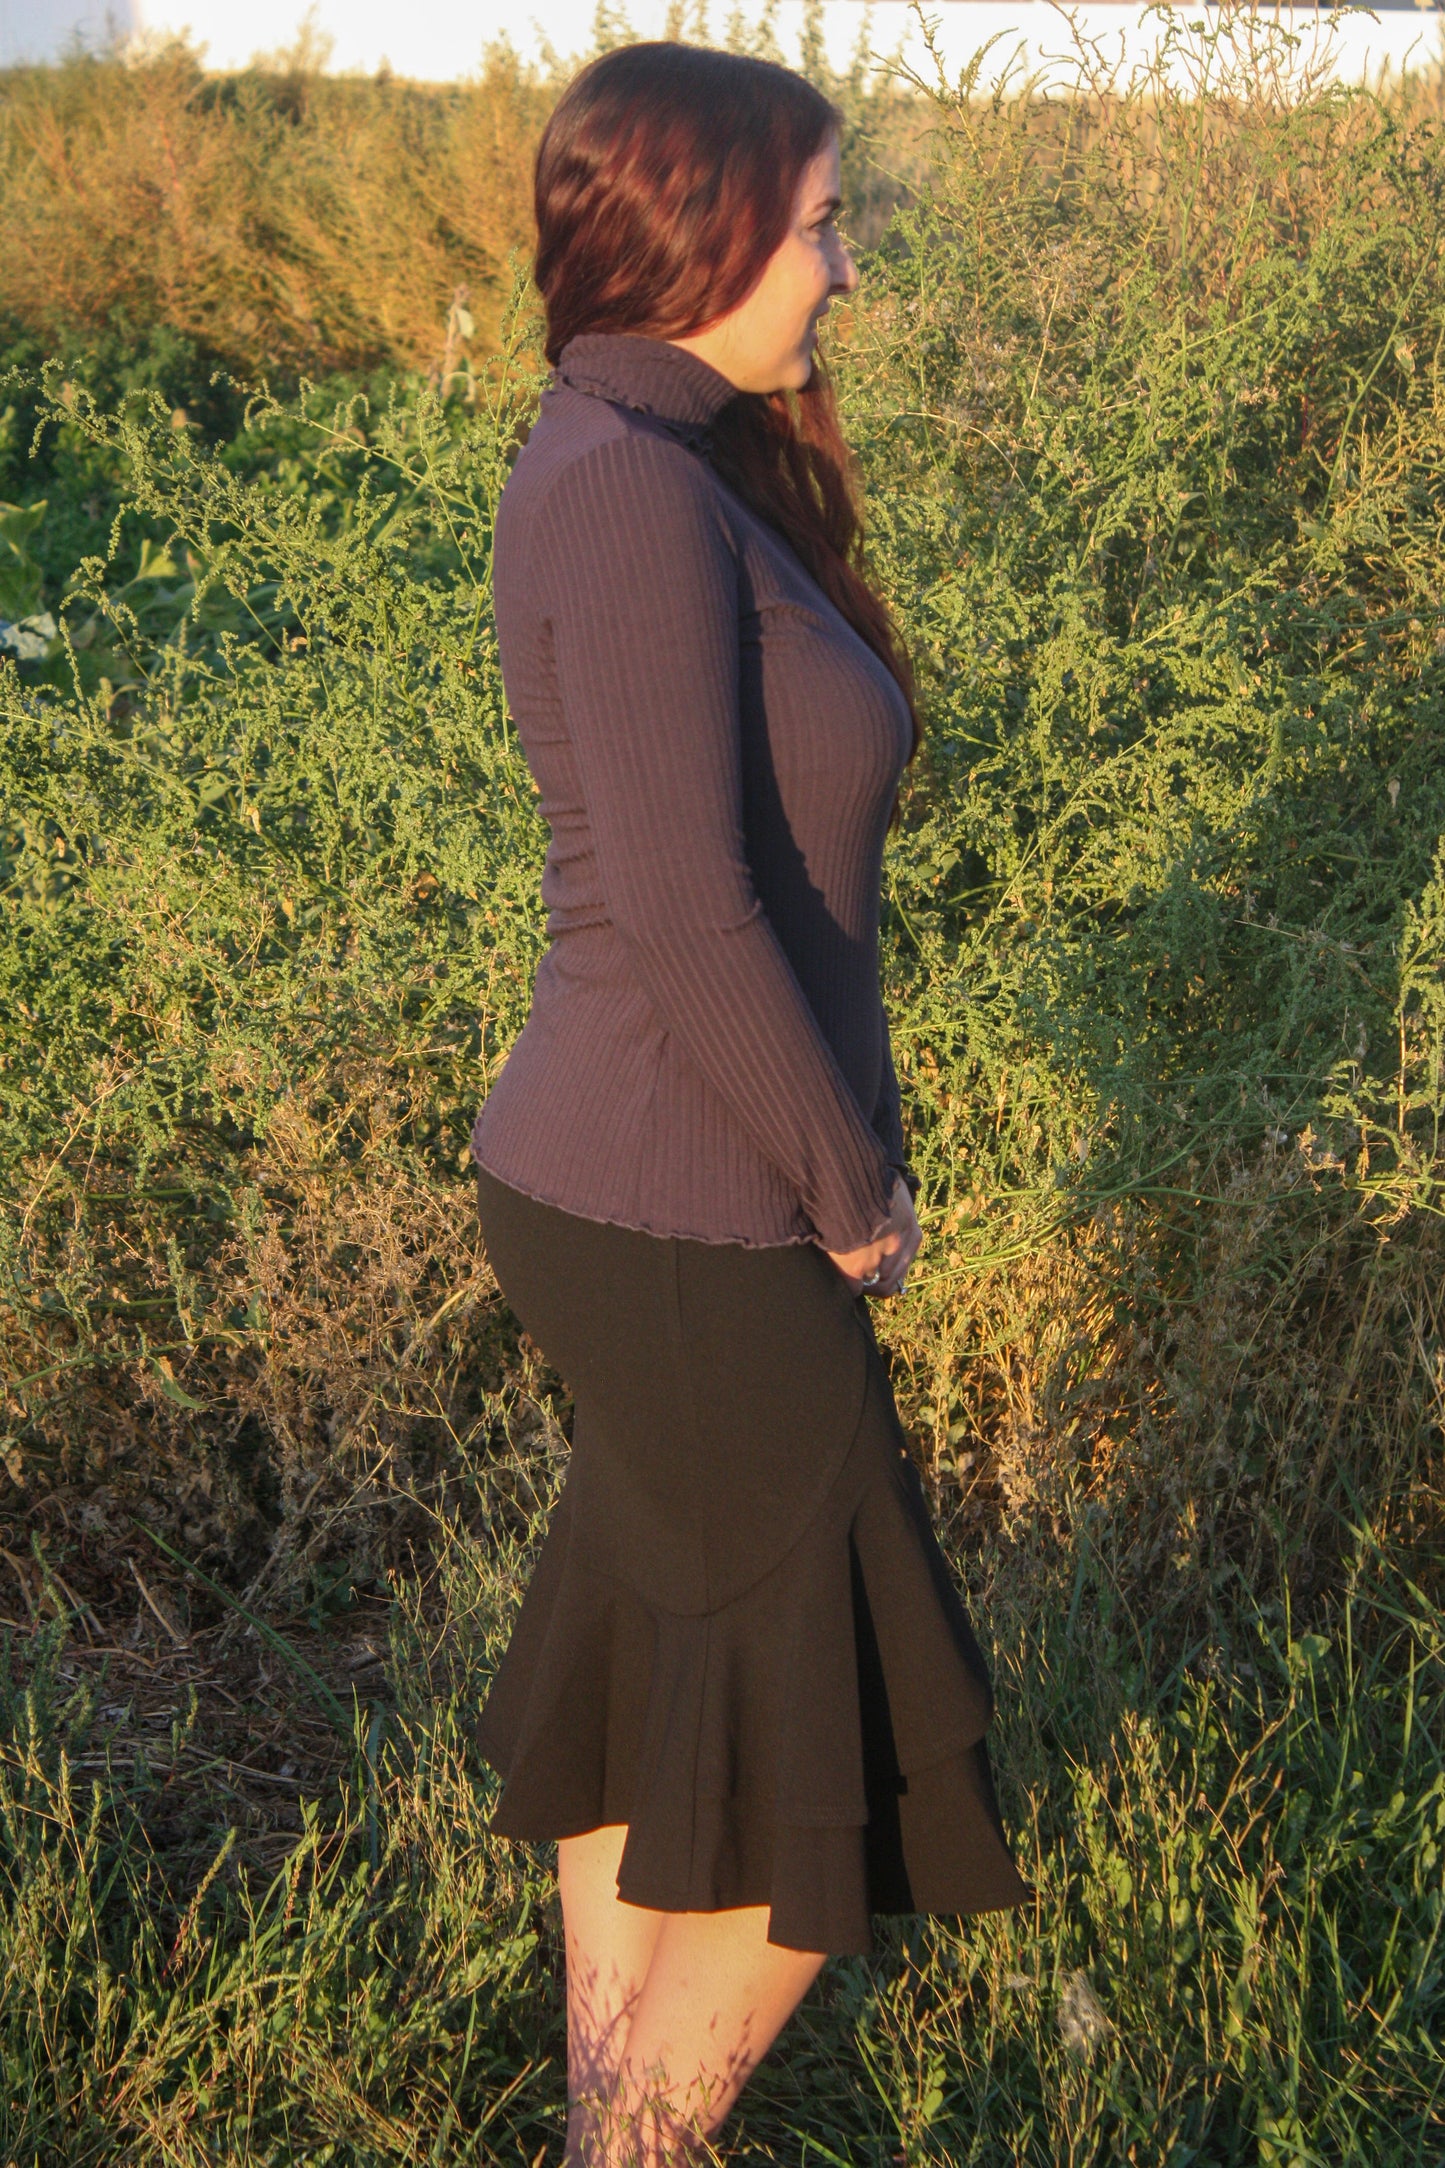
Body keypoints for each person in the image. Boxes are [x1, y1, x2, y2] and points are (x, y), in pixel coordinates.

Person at [470, 41, 1027, 2165]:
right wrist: (850, 1182)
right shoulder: (626, 488)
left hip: (644, 1192)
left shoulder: (658, 460)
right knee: (850, 1725)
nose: (846, 268)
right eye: (817, 228)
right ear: (698, 235)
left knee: (660, 1662)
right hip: (683, 1211)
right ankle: (646, 2142)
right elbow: (689, 913)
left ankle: (609, 2124)